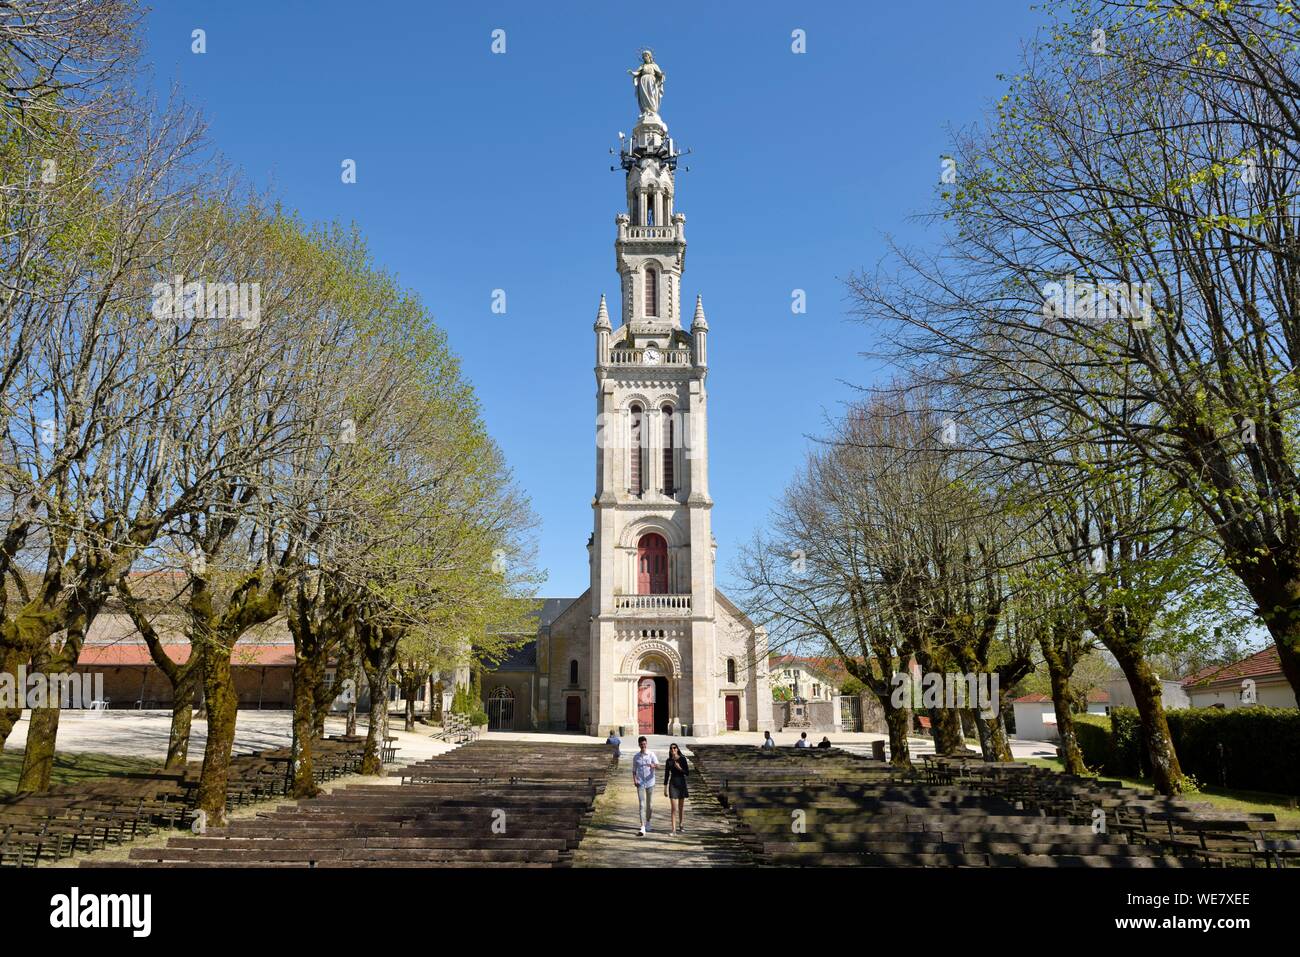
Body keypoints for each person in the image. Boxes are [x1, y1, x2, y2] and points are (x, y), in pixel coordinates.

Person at [632, 736, 659, 835]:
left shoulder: (651, 754)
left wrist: (654, 765)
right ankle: (642, 826)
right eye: (641, 744)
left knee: (650, 805)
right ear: (639, 745)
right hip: (640, 783)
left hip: (650, 782)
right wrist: (634, 779)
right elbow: (634, 770)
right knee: (642, 805)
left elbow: (658, 765)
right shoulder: (636, 757)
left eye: (645, 744)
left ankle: (648, 822)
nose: (643, 746)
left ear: (646, 744)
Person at [664, 742, 689, 834]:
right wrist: (665, 788)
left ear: (677, 749)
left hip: (681, 783)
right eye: (671, 748)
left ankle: (681, 825)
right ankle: (673, 829)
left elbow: (687, 773)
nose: (673, 749)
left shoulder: (682, 759)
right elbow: (666, 775)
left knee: (681, 807)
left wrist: (679, 768)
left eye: (674, 748)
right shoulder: (669, 761)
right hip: (673, 784)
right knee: (674, 808)